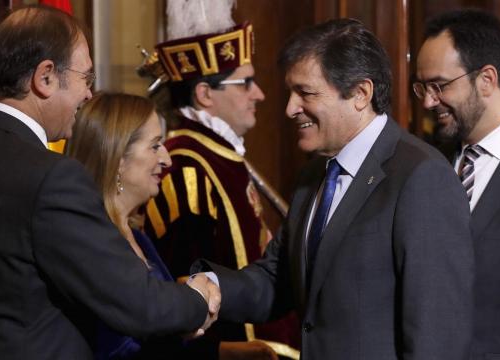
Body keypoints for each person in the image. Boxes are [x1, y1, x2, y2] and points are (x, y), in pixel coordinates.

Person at [0, 6, 220, 359]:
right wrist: (199, 297)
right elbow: (138, 303)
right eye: (85, 78)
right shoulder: (52, 177)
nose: (89, 95)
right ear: (45, 77)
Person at [192, 18, 475, 359]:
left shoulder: (421, 177)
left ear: (360, 94)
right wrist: (211, 286)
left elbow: (437, 337)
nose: (290, 108)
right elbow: (277, 279)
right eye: (290, 93)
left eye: (306, 93)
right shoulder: (313, 176)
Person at [66, 92, 277, 360]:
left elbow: (166, 344)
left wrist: (229, 352)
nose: (167, 159)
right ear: (118, 158)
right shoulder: (93, 242)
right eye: (155, 146)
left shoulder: (139, 240)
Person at [141, 1, 299, 358]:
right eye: (246, 83)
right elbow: (178, 283)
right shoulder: (184, 165)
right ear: (204, 94)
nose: (258, 93)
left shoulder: (219, 154)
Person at [414, 9, 500, 359]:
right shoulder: (424, 164)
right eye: (422, 87)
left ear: (487, 80)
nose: (428, 101)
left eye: (440, 85)